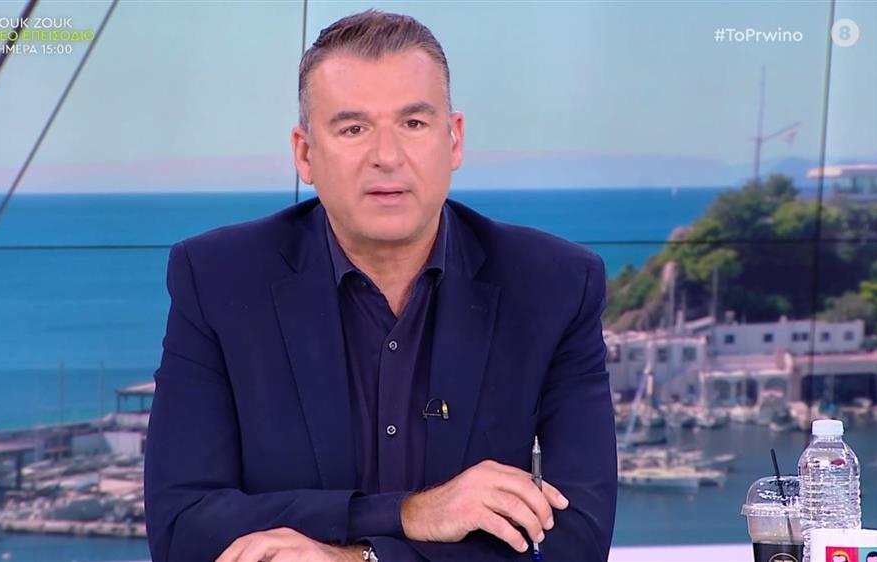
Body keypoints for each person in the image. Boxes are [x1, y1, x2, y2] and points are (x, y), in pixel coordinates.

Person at [144, 10, 616, 562]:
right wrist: (409, 513)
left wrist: (358, 558)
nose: (387, 157)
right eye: (353, 128)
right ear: (304, 154)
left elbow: (576, 541)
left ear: (454, 140)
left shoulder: (555, 286)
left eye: (413, 124)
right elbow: (182, 528)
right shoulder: (217, 279)